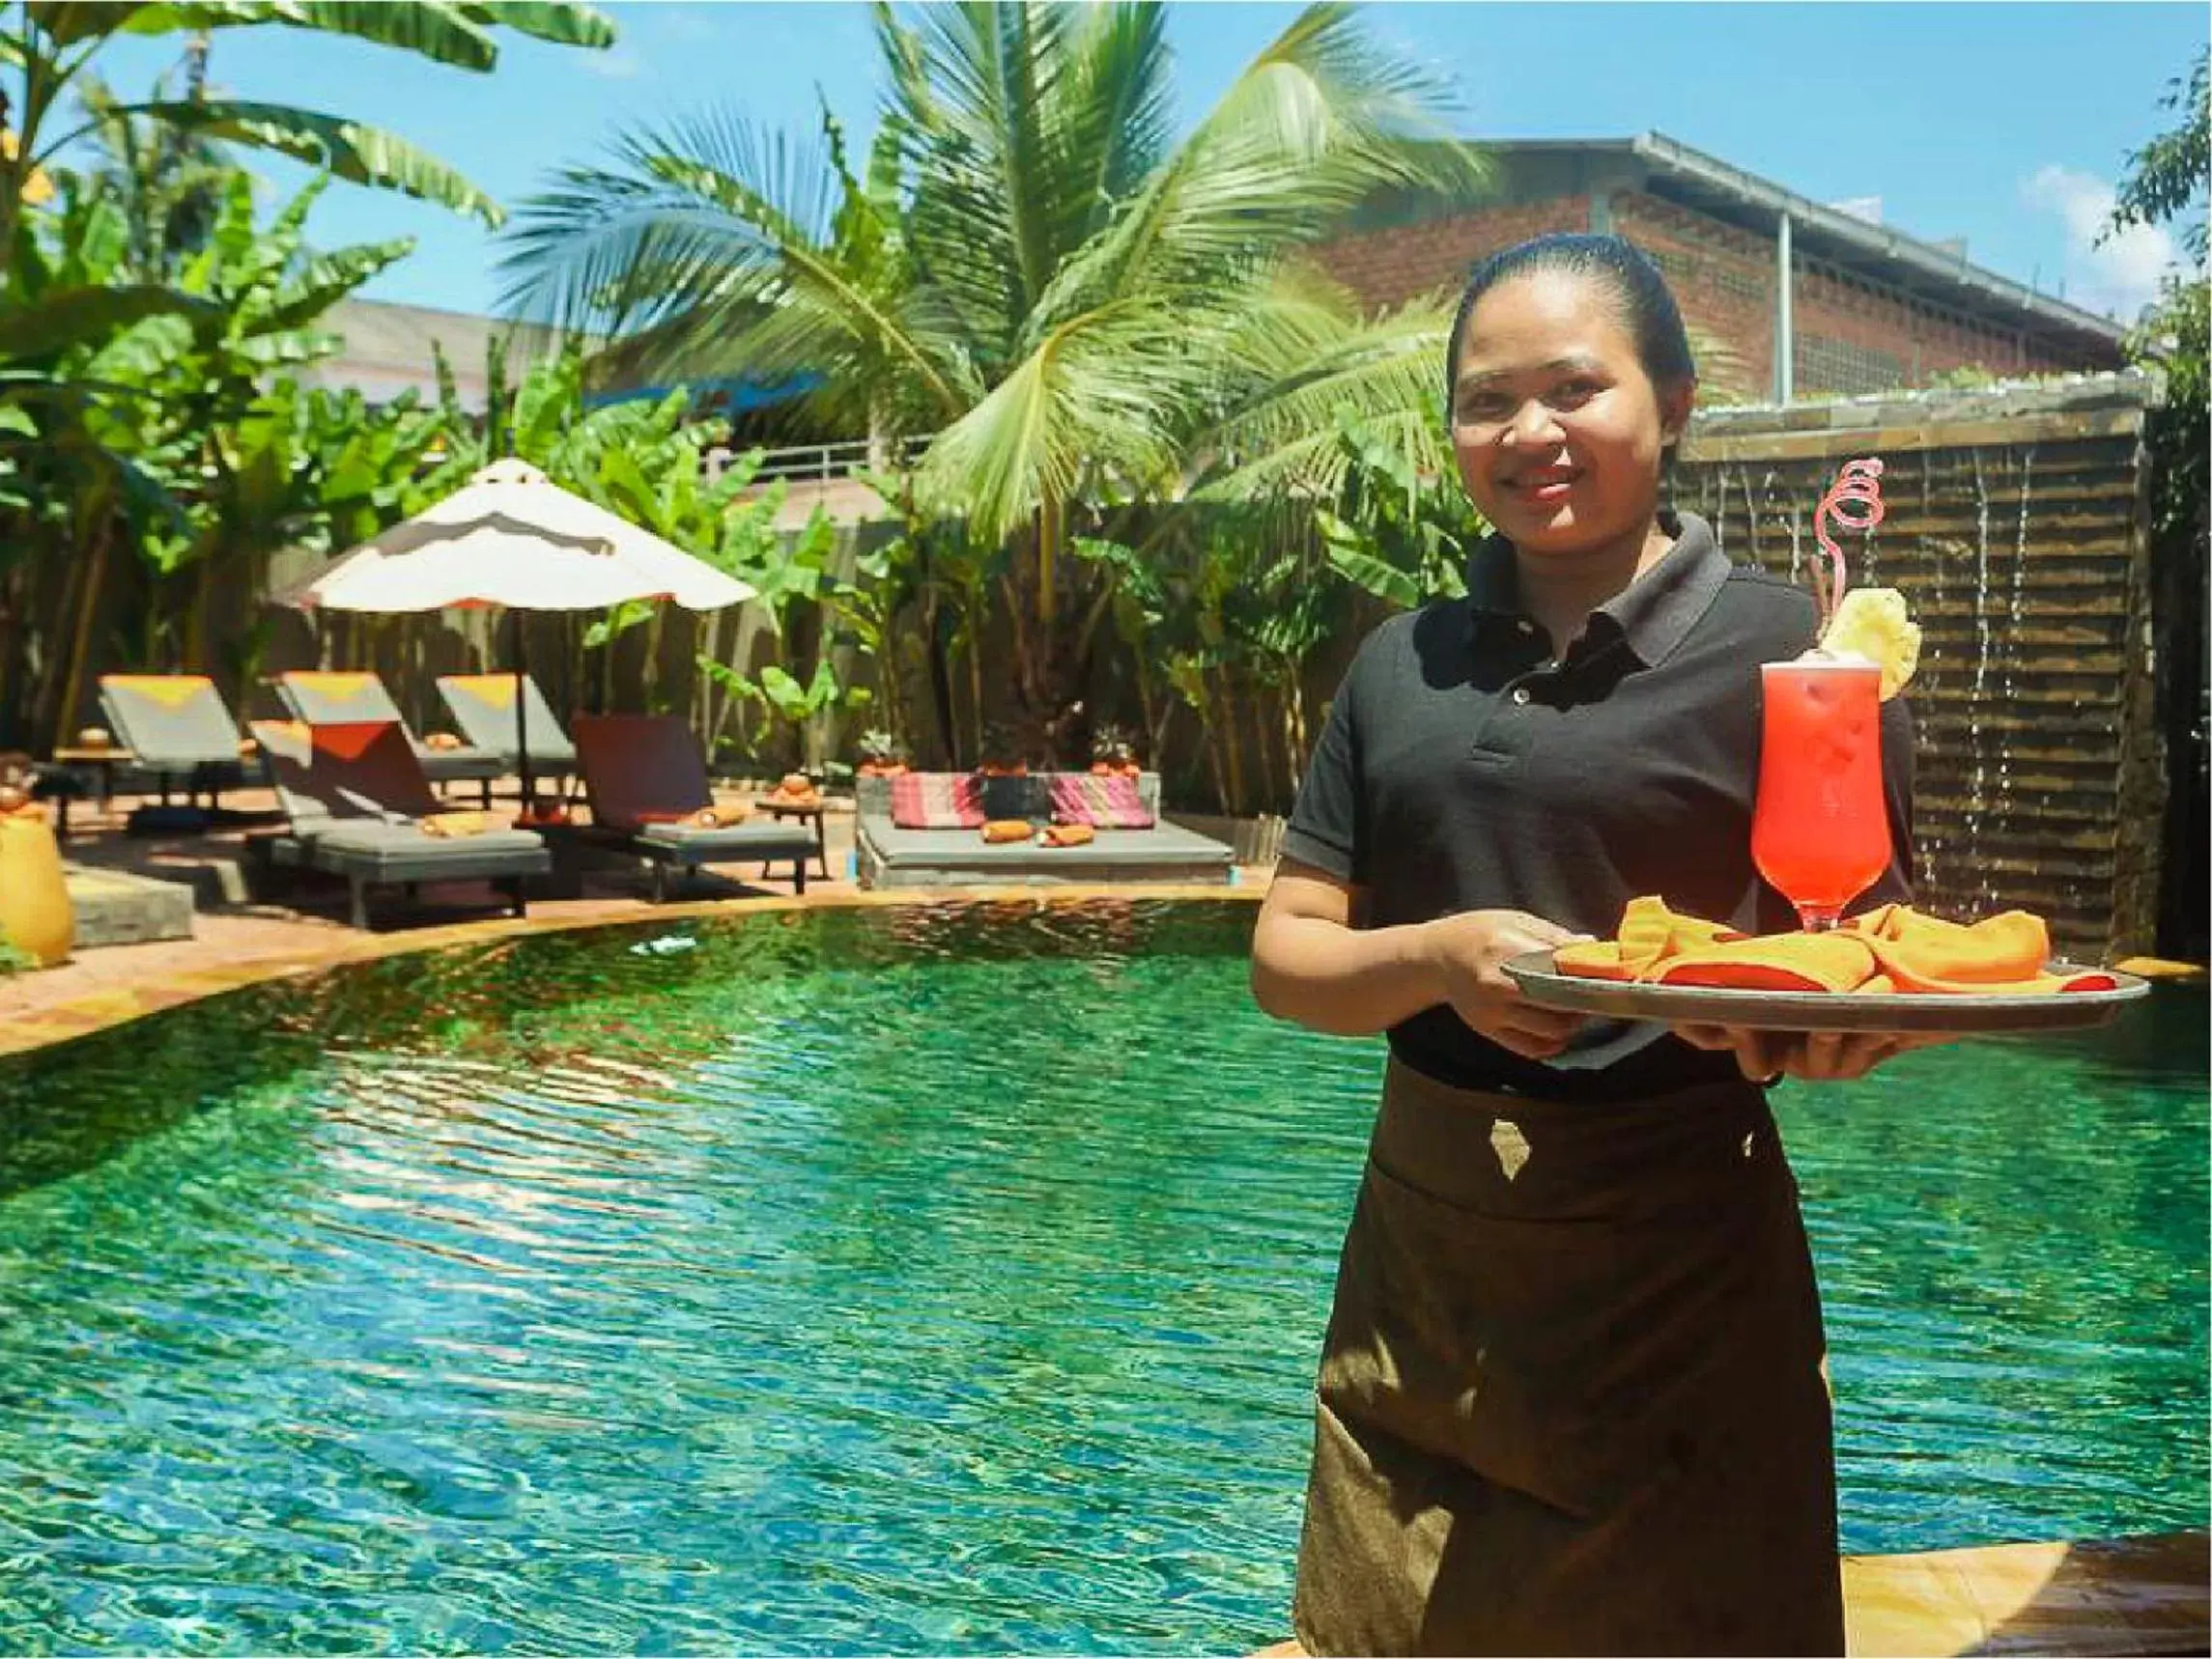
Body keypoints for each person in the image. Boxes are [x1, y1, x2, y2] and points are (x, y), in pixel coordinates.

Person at [1249, 233, 1921, 1657]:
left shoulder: (1799, 655)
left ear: (1670, 403)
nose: (1530, 431)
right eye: (1489, 400)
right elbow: (1286, 955)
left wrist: (1840, 1026)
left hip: (1675, 1264)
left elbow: (1868, 951)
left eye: (1575, 388)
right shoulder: (1399, 663)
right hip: (1420, 1271)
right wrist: (1433, 958)